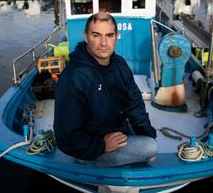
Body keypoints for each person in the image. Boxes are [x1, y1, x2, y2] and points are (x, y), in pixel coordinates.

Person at [53, 12, 157, 167]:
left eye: (109, 35)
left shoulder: (119, 64)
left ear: (116, 36)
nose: (103, 43)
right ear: (86, 36)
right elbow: (66, 136)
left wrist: (147, 134)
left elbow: (134, 104)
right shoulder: (73, 77)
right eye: (96, 35)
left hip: (116, 129)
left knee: (148, 141)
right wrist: (102, 145)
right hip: (89, 148)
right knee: (150, 147)